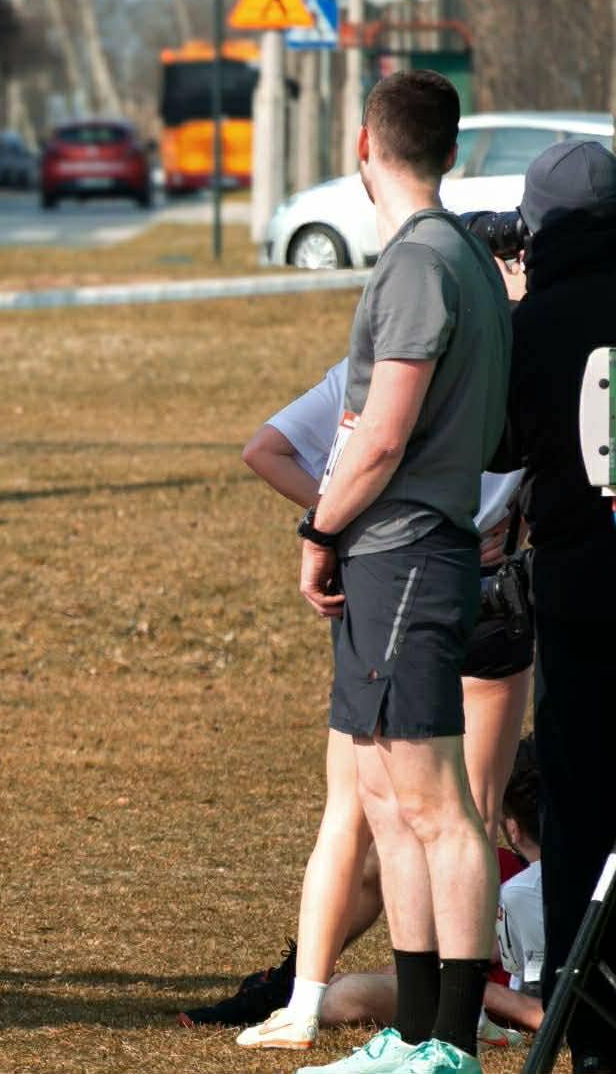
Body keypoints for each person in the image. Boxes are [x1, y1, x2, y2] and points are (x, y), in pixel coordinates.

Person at [191, 355, 533, 1048]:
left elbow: (266, 450)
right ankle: (458, 1011)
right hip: (484, 592)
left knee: (358, 815)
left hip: (390, 585)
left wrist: (336, 522)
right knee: (468, 814)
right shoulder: (509, 365)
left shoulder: (371, 367)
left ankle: (304, 998)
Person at [290, 70, 511, 1074]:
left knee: (435, 805)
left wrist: (318, 525)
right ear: (451, 151)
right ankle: (411, 1030)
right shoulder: (454, 254)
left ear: (361, 146)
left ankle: (450, 1044)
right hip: (388, 554)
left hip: (408, 549)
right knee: (384, 798)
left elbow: (381, 436)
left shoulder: (422, 262)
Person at [494, 137, 616, 1072]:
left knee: (579, 808)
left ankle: (597, 1028)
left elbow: (498, 446)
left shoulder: (536, 322)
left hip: (579, 595)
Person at [311, 741, 547, 1046]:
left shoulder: (523, 890)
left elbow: (546, 1012)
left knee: (339, 997)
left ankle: (307, 981)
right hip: (464, 977)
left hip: (488, 996)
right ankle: (307, 972)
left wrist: (478, 992)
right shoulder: (510, 872)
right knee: (382, 858)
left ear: (513, 829)